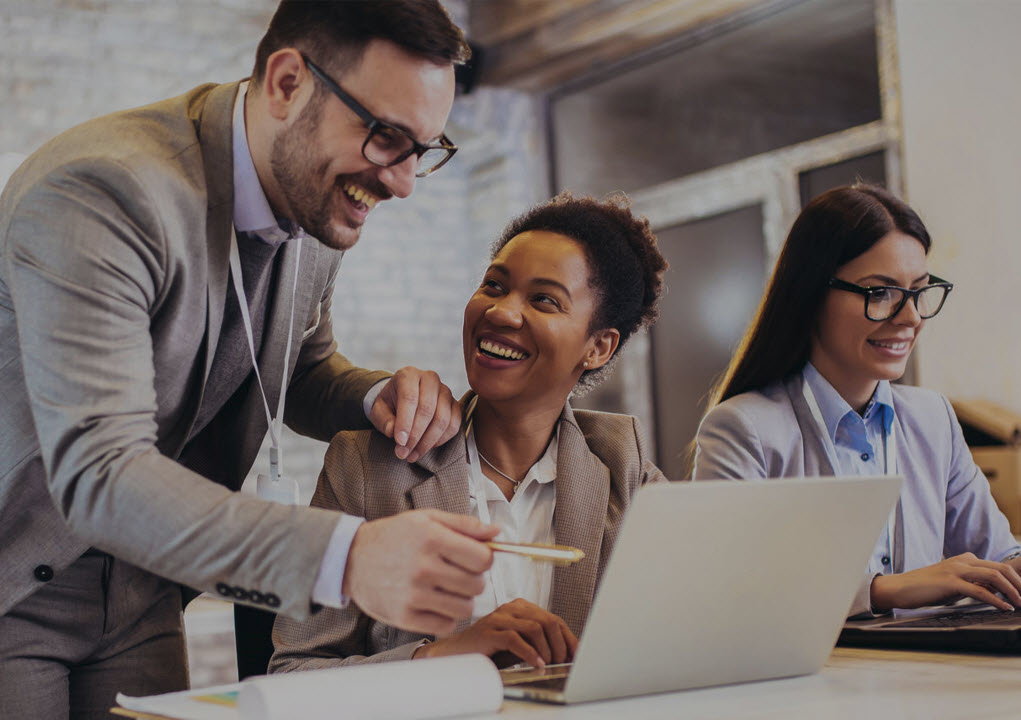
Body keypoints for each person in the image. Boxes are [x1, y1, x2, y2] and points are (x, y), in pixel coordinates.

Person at [0, 2, 501, 716]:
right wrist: (349, 559)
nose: (402, 183)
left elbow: (297, 369)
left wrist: (374, 396)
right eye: (386, 137)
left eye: (424, 149)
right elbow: (99, 474)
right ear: (287, 82)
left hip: (144, 590)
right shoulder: (101, 191)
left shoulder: (312, 202)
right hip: (15, 585)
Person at [268, 192, 668, 673]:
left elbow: (683, 641)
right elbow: (293, 674)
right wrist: (441, 656)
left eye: (543, 299)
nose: (500, 312)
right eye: (494, 286)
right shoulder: (368, 467)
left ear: (599, 347)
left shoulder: (626, 469)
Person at [693, 183, 1021, 617]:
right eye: (879, 293)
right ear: (811, 295)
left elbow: (999, 557)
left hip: (932, 675)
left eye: (919, 291)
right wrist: (883, 590)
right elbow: (722, 590)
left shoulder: (933, 418)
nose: (911, 318)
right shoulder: (742, 428)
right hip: (814, 680)